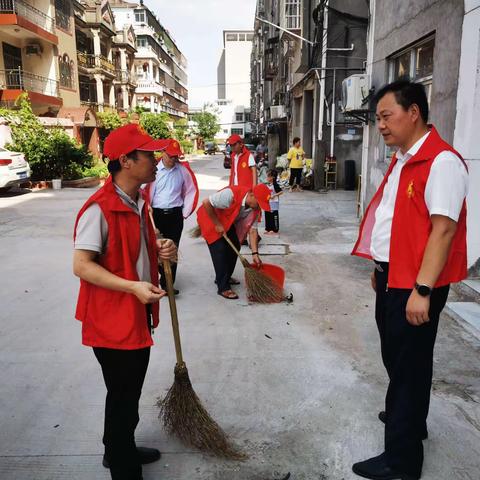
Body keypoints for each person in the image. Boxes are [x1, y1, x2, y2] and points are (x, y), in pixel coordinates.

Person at [351, 80, 468, 480]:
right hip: (393, 276)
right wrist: (379, 268)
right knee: (401, 360)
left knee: (407, 364)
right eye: (378, 118)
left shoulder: (442, 162)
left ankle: (401, 461)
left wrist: (422, 290)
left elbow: (443, 231)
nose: (380, 125)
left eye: (386, 116)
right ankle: (410, 418)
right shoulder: (404, 159)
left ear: (413, 112)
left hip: (416, 283)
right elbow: (396, 221)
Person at [73, 123, 177, 480]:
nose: (156, 160)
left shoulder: (136, 202)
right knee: (122, 396)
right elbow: (81, 265)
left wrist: (160, 245)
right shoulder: (99, 209)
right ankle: (122, 465)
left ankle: (118, 448)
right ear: (125, 161)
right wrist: (132, 287)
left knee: (127, 393)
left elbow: (134, 249)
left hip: (135, 315)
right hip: (111, 321)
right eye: (148, 154)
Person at [196, 183, 272, 299]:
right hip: (210, 218)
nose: (259, 207)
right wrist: (217, 224)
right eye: (259, 203)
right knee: (220, 249)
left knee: (235, 245)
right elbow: (206, 202)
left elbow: (253, 231)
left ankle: (226, 276)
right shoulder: (230, 195)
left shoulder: (255, 210)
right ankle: (223, 287)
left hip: (227, 221)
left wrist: (255, 254)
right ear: (252, 195)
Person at [147, 138, 199, 295]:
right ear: (163, 153)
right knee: (155, 249)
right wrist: (145, 205)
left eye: (176, 156)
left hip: (175, 215)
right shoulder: (153, 170)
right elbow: (140, 189)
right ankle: (157, 279)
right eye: (171, 156)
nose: (173, 159)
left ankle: (168, 284)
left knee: (172, 249)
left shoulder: (182, 171)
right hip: (155, 215)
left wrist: (184, 212)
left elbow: (191, 190)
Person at [264, 169, 282, 235]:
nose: (267, 178)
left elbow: (281, 192)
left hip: (274, 203)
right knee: (267, 216)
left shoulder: (275, 185)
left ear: (272, 177)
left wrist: (274, 195)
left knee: (274, 216)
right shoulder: (267, 185)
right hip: (268, 203)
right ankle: (268, 229)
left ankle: (274, 229)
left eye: (268, 176)